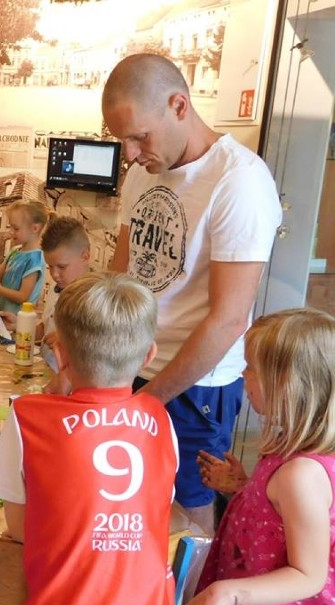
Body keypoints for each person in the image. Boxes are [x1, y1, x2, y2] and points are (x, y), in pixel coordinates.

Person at [103, 53, 282, 532]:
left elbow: (227, 319)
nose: (131, 153)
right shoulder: (142, 172)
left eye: (139, 136)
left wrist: (152, 397)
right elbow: (121, 282)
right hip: (134, 368)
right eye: (121, 140)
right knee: (132, 505)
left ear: (179, 106)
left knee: (190, 514)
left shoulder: (239, 182)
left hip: (196, 385)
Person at [0, 271, 178, 605]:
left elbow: (19, 529)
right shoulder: (160, 419)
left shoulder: (29, 416)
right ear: (149, 354)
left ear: (59, 355)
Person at [176, 308, 335, 605]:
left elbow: (308, 574)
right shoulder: (296, 447)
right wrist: (244, 489)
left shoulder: (301, 474)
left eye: (251, 368)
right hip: (256, 595)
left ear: (287, 385)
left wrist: (227, 592)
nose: (244, 375)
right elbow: (284, 519)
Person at [0, 215, 90, 372]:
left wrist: (68, 339)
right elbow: (47, 329)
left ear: (85, 256)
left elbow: (101, 345)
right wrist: (20, 325)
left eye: (62, 267)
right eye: (50, 266)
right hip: (46, 370)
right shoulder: (56, 290)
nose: (55, 274)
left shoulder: (95, 300)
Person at [0, 200, 47, 314]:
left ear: (35, 228)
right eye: (10, 227)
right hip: (4, 318)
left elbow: (22, 297)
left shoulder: (35, 259)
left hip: (20, 325)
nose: (11, 232)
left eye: (16, 228)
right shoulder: (14, 251)